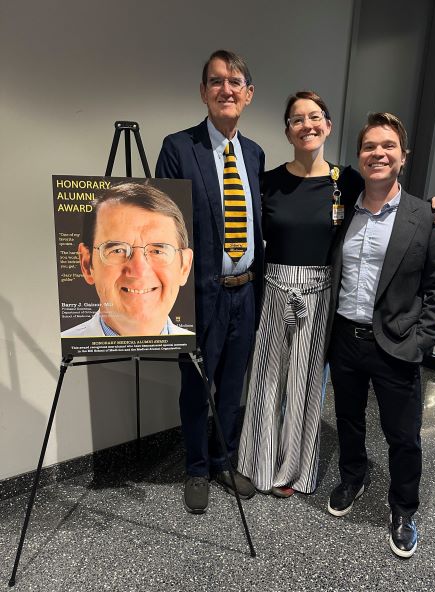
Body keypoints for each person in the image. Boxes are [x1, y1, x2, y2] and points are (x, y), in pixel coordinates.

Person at [237, 93, 435, 499]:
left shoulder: (347, 179)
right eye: (297, 119)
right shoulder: (265, 181)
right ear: (287, 128)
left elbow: (391, 194)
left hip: (321, 295)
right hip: (275, 289)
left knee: (305, 389)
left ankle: (295, 470)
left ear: (328, 125)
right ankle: (258, 463)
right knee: (266, 381)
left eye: (315, 117)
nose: (307, 125)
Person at [326, 112, 435, 559]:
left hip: (397, 342)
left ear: (402, 157)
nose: (378, 153)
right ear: (359, 157)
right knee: (348, 419)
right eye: (369, 147)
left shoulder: (427, 216)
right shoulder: (343, 209)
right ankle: (353, 476)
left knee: (403, 435)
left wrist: (422, 341)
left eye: (388, 147)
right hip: (345, 336)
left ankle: (403, 510)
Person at [155, 50, 265, 513]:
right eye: (216, 81)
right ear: (203, 92)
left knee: (234, 384)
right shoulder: (179, 148)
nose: (226, 89)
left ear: (248, 93)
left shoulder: (255, 154)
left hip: (246, 292)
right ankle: (196, 468)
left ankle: (223, 459)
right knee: (196, 387)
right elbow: (162, 227)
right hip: (200, 296)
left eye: (235, 81)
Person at [62, 182, 194, 337]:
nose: (139, 271)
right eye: (117, 250)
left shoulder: (201, 356)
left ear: (184, 267)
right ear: (87, 264)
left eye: (157, 251)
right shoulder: (60, 346)